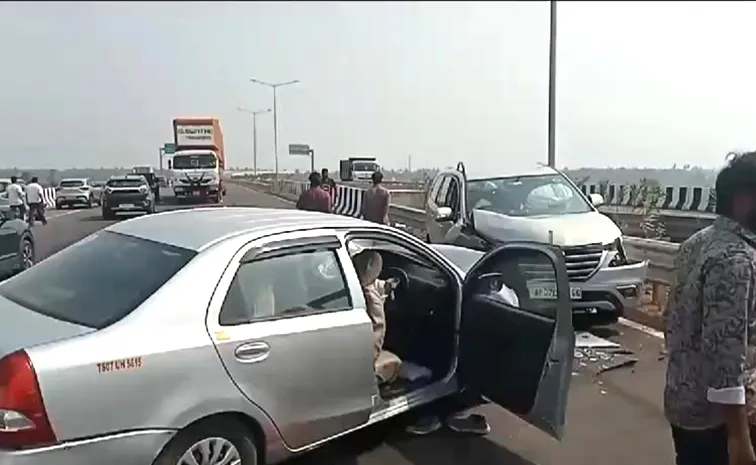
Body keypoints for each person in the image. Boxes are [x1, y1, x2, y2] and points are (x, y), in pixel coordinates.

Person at [664, 151, 756, 465]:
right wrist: (739, 440)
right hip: (716, 423)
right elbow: (725, 359)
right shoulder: (736, 259)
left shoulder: (698, 242)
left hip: (683, 403)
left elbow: (674, 322)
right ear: (744, 199)